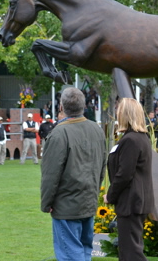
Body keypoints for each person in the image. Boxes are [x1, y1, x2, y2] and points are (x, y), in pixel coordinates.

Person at [41, 87, 107, 261]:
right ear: (83, 106)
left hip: (67, 205)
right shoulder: (96, 130)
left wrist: (47, 203)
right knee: (84, 251)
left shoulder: (59, 133)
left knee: (71, 254)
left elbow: (50, 174)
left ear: (61, 107)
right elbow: (102, 166)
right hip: (87, 199)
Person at [103, 98, 155, 261]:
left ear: (125, 115)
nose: (117, 114)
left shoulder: (130, 140)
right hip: (136, 201)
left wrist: (110, 195)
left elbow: (124, 174)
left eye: (119, 111)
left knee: (131, 253)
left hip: (131, 202)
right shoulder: (140, 138)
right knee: (128, 251)